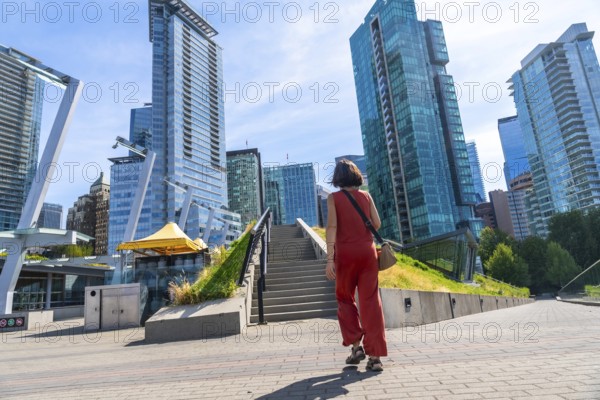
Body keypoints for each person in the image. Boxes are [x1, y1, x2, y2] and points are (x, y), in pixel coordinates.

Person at [325, 159, 387, 372]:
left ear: (338, 178)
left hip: (346, 255)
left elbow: (332, 227)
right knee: (371, 302)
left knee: (344, 298)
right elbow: (377, 224)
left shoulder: (334, 199)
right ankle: (376, 357)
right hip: (368, 254)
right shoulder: (366, 196)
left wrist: (330, 259)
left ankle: (356, 347)